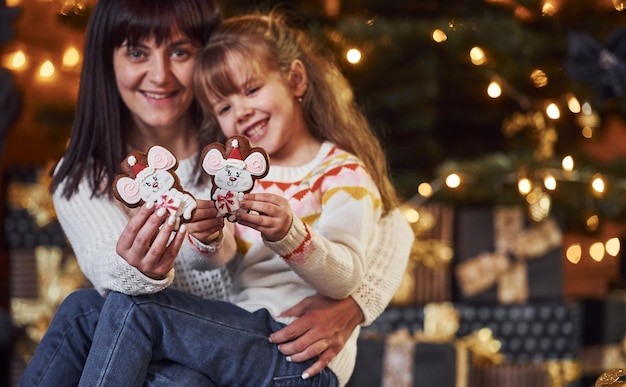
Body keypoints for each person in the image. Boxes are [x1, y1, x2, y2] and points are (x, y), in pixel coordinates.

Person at [19, 0, 413, 385]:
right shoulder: (87, 176)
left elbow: (389, 221)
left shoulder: (239, 154)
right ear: (106, 61)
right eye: (137, 52)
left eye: (180, 51)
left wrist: (356, 304)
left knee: (153, 337)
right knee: (85, 311)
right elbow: (162, 267)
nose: (160, 75)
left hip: (276, 345)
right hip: (213, 338)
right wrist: (197, 242)